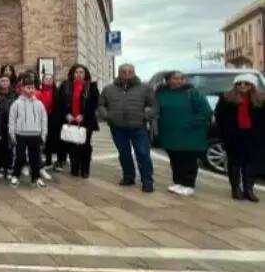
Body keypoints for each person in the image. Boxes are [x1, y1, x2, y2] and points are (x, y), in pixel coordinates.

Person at [98, 63, 158, 192]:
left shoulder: (144, 88)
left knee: (143, 154)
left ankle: (147, 181)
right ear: (119, 73)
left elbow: (155, 106)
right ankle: (128, 177)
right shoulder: (109, 89)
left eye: (130, 72)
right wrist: (107, 116)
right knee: (124, 153)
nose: (127, 74)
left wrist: (146, 116)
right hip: (118, 127)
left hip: (138, 127)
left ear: (134, 72)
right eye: (124, 72)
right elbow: (101, 104)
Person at [156, 71, 212, 197]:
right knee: (175, 159)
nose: (179, 81)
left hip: (189, 134)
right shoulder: (162, 93)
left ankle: (189, 184)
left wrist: (191, 123)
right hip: (170, 133)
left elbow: (206, 111)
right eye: (175, 78)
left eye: (182, 78)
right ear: (168, 80)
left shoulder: (192, 93)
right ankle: (178, 182)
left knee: (188, 160)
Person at [215, 74, 261, 202]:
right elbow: (220, 118)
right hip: (233, 136)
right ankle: (236, 189)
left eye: (246, 83)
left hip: (253, 136)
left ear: (252, 85)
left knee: (251, 164)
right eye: (239, 83)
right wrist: (223, 136)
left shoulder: (260, 99)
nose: (242, 86)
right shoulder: (226, 98)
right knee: (235, 163)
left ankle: (249, 189)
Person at [55, 64, 99, 179]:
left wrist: (83, 115)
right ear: (72, 73)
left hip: (85, 121)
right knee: (72, 145)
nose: (79, 74)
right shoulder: (65, 86)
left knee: (85, 144)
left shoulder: (91, 86)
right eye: (76, 72)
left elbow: (94, 104)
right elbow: (59, 103)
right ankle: (75, 167)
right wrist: (66, 114)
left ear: (85, 74)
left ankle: (85, 169)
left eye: (81, 72)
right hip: (71, 120)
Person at [8, 74, 48, 187]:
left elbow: (43, 120)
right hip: (21, 134)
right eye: (28, 87)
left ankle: (36, 177)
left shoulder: (39, 104)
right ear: (22, 88)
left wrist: (43, 135)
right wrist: (12, 134)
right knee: (20, 156)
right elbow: (12, 120)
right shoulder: (16, 104)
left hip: (35, 134)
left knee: (35, 157)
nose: (30, 90)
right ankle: (15, 175)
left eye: (32, 87)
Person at [36, 73, 62, 178]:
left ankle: (56, 161)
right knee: (44, 139)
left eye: (50, 79)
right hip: (41, 118)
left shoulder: (57, 92)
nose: (48, 80)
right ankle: (46, 160)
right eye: (46, 79)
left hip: (53, 118)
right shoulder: (39, 91)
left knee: (54, 139)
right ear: (43, 80)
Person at [0, 75, 17, 180]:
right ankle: (1, 167)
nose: (4, 82)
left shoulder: (14, 94)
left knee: (10, 146)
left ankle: (9, 167)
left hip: (11, 123)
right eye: (2, 80)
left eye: (6, 80)